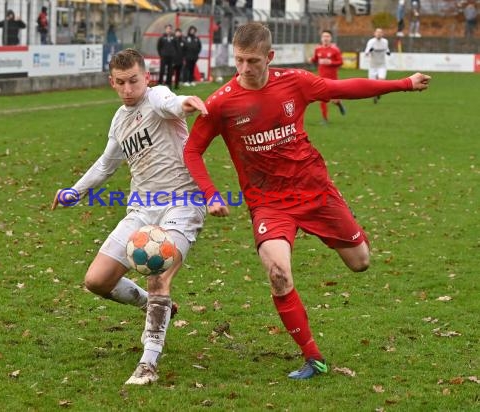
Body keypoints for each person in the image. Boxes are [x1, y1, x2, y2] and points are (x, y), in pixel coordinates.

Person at [183, 22, 430, 380]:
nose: (245, 69)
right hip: (268, 202)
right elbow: (192, 150)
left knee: (360, 262)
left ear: (270, 57)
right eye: (239, 60)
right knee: (279, 275)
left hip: (314, 191)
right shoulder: (221, 102)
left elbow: (343, 87)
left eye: (253, 60)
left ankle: (345, 233)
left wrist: (402, 84)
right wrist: (211, 193)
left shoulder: (294, 82)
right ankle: (313, 357)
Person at [51, 49, 207, 385]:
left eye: (134, 80)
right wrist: (74, 192)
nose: (128, 89)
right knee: (97, 280)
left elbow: (171, 102)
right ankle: (152, 304)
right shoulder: (120, 120)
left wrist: (186, 104)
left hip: (182, 202)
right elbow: (106, 165)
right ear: (112, 82)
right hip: (142, 208)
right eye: (120, 83)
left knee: (157, 271)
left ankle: (148, 363)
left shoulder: (157, 98)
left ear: (146, 77)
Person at [310, 30, 346, 123]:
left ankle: (338, 103)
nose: (325, 38)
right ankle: (324, 119)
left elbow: (341, 62)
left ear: (331, 38)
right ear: (321, 38)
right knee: (322, 99)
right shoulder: (318, 49)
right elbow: (315, 59)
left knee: (334, 100)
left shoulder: (335, 50)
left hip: (333, 79)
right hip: (321, 79)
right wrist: (311, 60)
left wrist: (331, 62)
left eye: (327, 36)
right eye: (324, 36)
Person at [364, 28, 391, 103]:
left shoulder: (385, 41)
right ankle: (375, 95)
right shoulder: (371, 42)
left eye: (380, 32)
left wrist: (388, 52)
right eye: (377, 32)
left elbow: (387, 50)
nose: (379, 34)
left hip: (382, 65)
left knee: (381, 81)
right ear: (374, 33)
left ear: (382, 34)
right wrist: (370, 50)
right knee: (372, 85)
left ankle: (378, 93)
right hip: (372, 66)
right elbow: (366, 53)